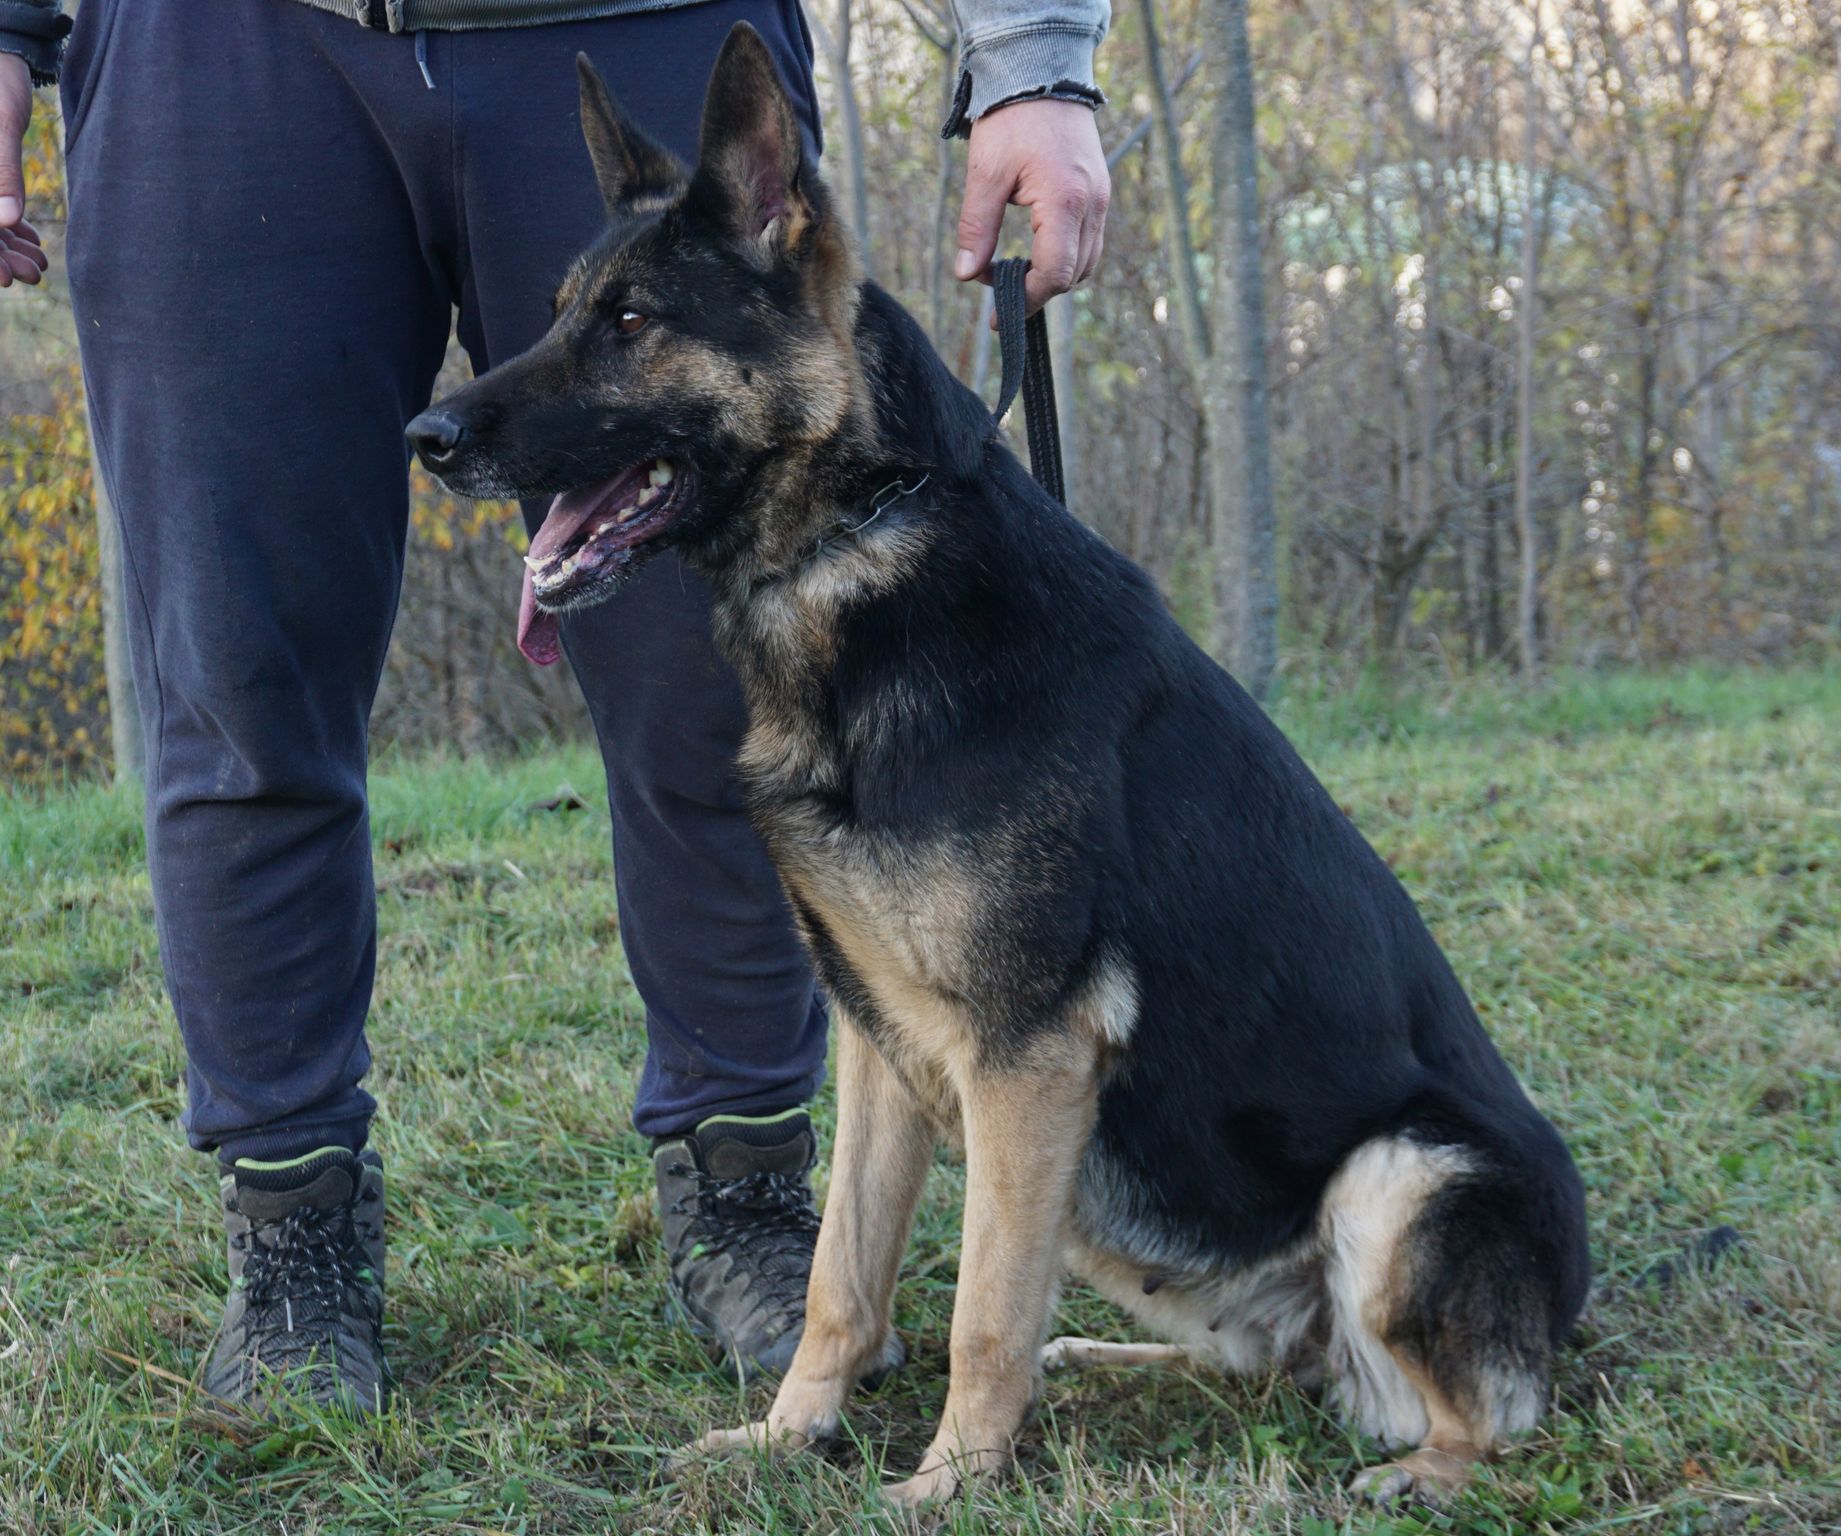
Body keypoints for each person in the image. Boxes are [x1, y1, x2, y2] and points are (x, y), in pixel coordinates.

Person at [0, 0, 1111, 1413]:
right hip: (216, 57)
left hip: (640, 18)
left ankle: (745, 1184)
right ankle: (291, 1221)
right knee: (237, 682)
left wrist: (1032, 57)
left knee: (727, 687)